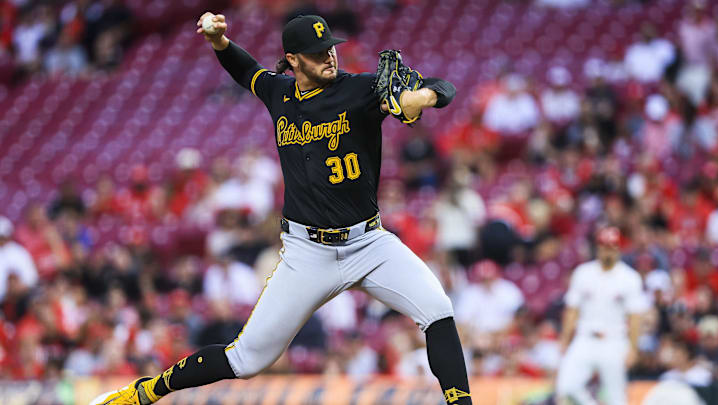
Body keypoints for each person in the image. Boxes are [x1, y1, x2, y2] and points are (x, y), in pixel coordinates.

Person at [91, 12, 468, 405]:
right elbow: (246, 71)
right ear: (293, 59)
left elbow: (444, 87)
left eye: (330, 49)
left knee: (438, 309)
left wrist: (419, 97)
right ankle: (144, 393)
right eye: (317, 52)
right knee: (246, 358)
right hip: (308, 254)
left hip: (369, 243)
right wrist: (219, 42)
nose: (329, 57)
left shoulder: (362, 90)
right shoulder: (280, 93)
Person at [555, 227, 646, 405]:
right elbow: (572, 309)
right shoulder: (583, 273)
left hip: (614, 340)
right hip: (585, 337)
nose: (607, 251)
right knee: (566, 388)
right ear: (597, 248)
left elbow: (635, 317)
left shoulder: (629, 277)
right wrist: (565, 339)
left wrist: (633, 348)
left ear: (618, 249)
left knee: (617, 398)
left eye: (611, 247)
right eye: (604, 246)